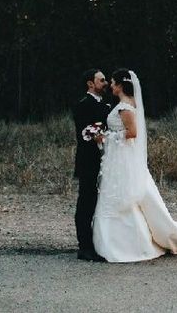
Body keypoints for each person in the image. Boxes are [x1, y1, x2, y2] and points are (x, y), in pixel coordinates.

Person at [93, 68, 177, 262]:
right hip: (120, 158)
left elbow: (132, 133)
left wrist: (105, 137)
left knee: (125, 196)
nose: (110, 86)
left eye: (113, 82)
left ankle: (129, 246)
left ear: (121, 85)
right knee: (122, 196)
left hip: (123, 158)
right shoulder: (124, 104)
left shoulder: (125, 107)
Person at [71, 69, 111, 262]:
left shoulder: (106, 105)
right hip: (89, 161)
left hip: (106, 161)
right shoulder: (82, 106)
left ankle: (98, 241)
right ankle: (84, 247)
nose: (105, 83)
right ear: (90, 84)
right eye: (101, 80)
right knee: (86, 202)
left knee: (98, 202)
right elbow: (86, 134)